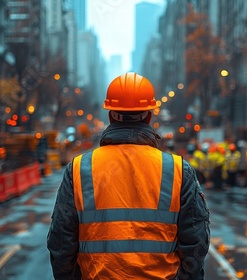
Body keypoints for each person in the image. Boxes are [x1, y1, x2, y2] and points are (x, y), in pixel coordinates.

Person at [47, 72, 210, 279]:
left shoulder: (79, 169)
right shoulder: (178, 169)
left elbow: (61, 245)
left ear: (110, 115)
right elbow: (195, 244)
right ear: (149, 115)